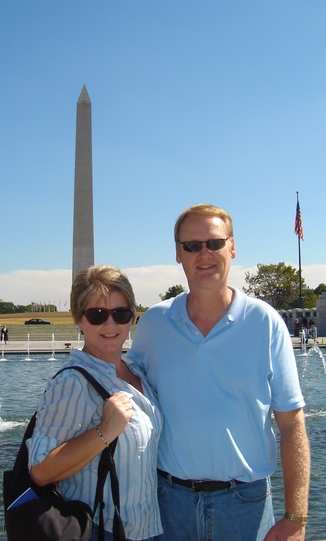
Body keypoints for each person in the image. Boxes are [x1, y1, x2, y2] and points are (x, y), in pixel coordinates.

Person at [128, 203, 310, 541]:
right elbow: (126, 388)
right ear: (178, 254)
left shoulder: (265, 322)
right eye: (192, 246)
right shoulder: (155, 323)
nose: (204, 254)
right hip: (169, 502)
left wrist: (296, 518)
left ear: (233, 247)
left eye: (214, 243)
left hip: (245, 503)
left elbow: (291, 423)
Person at [27, 265, 163, 541]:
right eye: (97, 315)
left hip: (148, 528)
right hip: (102, 530)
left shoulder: (136, 370)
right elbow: (40, 471)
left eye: (121, 314)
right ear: (79, 320)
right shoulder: (72, 384)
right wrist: (104, 432)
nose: (111, 325)